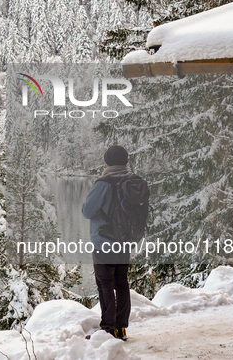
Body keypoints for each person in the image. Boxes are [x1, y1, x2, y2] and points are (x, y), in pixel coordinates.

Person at [82, 145, 131, 341]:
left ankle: (108, 329)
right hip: (125, 241)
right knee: (121, 282)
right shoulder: (131, 181)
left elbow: (87, 211)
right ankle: (121, 328)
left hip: (105, 241)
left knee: (105, 284)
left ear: (107, 162)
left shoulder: (104, 183)